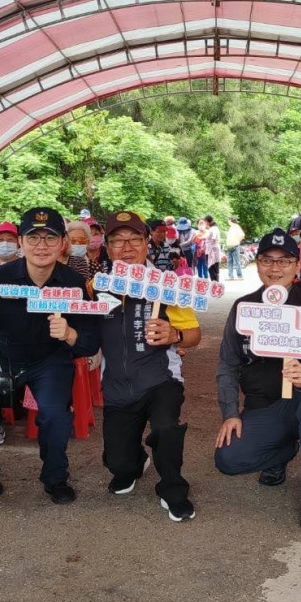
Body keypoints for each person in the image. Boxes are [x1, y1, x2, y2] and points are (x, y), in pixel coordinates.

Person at [0, 208, 100, 509]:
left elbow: (89, 341)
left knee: (56, 417)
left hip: (49, 360)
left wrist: (70, 334)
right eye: (33, 238)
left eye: (50, 238)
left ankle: (55, 478)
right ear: (20, 242)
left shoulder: (74, 283)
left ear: (62, 243)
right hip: (0, 357)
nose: (41, 246)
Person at [215, 229, 301, 530]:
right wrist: (230, 413)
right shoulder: (244, 308)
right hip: (263, 406)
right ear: (257, 264)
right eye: (267, 260)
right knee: (228, 459)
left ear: (298, 266)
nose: (275, 268)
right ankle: (281, 453)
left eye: (284, 261)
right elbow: (227, 364)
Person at [94, 211, 201, 522]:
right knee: (119, 463)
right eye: (117, 241)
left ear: (146, 244)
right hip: (116, 384)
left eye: (134, 240)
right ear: (107, 247)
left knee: (167, 428)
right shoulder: (96, 286)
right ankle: (135, 461)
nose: (126, 248)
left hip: (160, 379)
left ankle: (173, 489)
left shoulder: (168, 286)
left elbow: (194, 335)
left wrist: (175, 334)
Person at [225, 216, 246, 280]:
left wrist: (238, 241)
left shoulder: (236, 226)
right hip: (229, 246)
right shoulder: (231, 227)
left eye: (228, 220)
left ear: (230, 220)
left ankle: (240, 276)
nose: (228, 221)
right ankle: (230, 276)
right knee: (229, 262)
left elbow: (242, 235)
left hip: (235, 246)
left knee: (237, 262)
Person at [203, 215, 222, 282]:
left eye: (204, 222)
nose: (204, 224)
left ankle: (215, 284)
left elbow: (214, 238)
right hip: (211, 250)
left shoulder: (214, 229)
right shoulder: (212, 229)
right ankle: (214, 283)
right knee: (213, 269)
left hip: (212, 250)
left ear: (207, 222)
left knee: (213, 268)